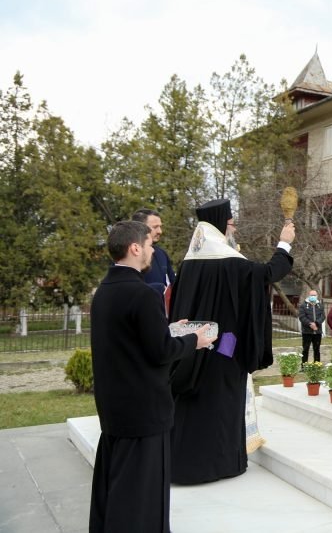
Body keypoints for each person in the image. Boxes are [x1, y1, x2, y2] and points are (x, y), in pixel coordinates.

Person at [89, 221, 215, 533]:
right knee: (141, 496)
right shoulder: (143, 294)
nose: (153, 251)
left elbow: (129, 341)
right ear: (135, 248)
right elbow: (160, 352)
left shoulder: (103, 292)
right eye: (149, 245)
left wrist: (168, 330)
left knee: (118, 485)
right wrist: (194, 340)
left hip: (115, 407)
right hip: (144, 411)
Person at [169, 199, 294, 485]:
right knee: (220, 403)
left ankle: (182, 463)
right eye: (231, 223)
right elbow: (266, 274)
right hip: (225, 347)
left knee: (191, 405)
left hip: (190, 347)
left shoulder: (189, 262)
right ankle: (219, 464)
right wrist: (284, 243)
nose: (233, 228)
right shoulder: (229, 261)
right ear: (219, 224)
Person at [131, 209, 175, 314]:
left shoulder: (161, 254)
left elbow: (173, 285)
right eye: (155, 227)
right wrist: (157, 288)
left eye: (160, 226)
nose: (160, 231)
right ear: (140, 228)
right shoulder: (129, 255)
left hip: (162, 316)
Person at [299, 289, 325, 361]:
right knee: (305, 349)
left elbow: (323, 316)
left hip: (317, 331)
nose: (313, 296)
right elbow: (302, 317)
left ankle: (317, 365)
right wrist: (310, 324)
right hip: (307, 332)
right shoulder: (303, 305)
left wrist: (316, 323)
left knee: (317, 349)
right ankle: (304, 365)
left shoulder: (320, 305)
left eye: (314, 295)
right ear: (309, 296)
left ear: (317, 296)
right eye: (311, 295)